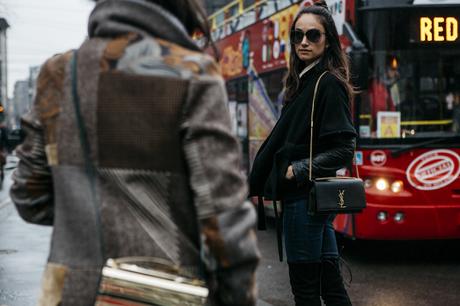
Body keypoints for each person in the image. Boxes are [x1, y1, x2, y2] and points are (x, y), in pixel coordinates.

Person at [10, 0, 260, 305]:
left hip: (71, 292)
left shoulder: (59, 75)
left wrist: (88, 212)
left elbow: (29, 197)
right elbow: (224, 223)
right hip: (166, 293)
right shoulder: (192, 74)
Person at [249, 1, 356, 305]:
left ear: (328, 40)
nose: (304, 42)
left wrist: (297, 169)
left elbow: (344, 147)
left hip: (304, 201)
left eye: (313, 35)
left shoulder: (328, 83)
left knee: (306, 290)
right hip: (308, 202)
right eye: (298, 36)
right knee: (331, 286)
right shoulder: (305, 82)